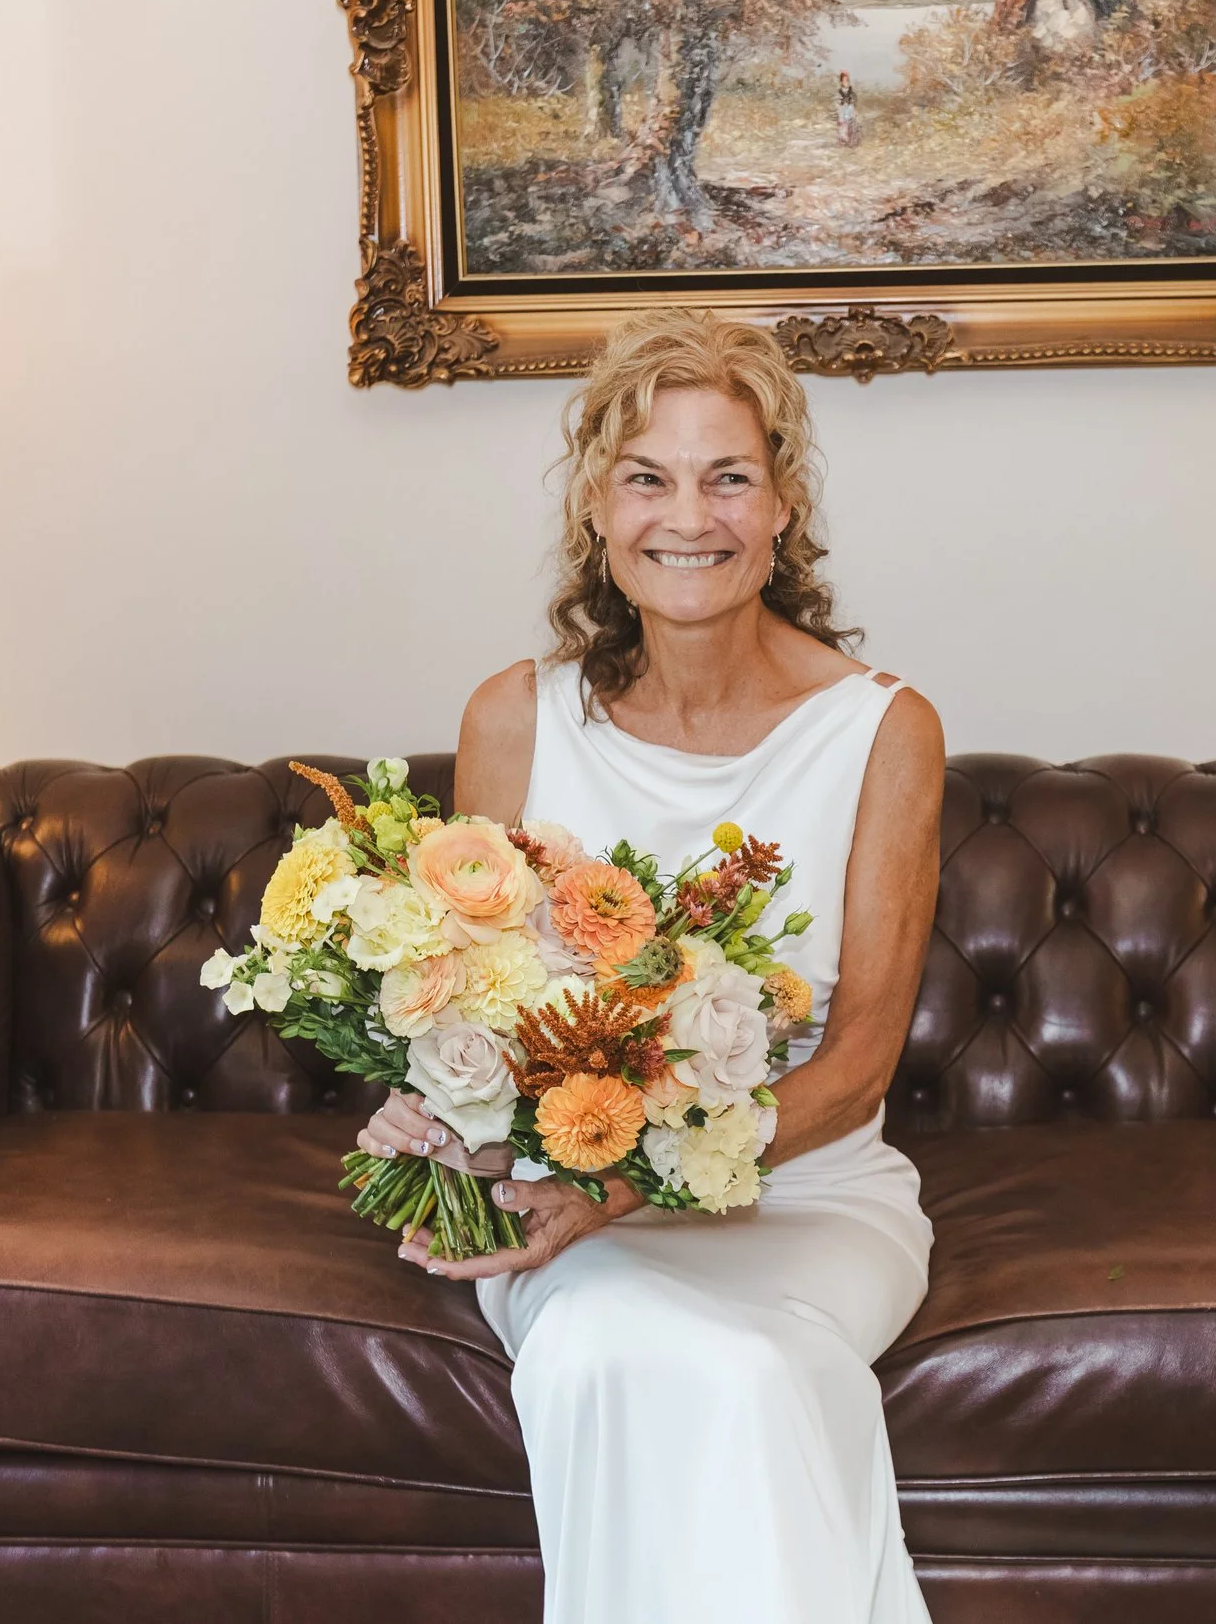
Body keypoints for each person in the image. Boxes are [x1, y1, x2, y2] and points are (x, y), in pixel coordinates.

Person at [355, 307, 945, 1624]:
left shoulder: (885, 730)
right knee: (617, 1340)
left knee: (753, 1366)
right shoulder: (514, 717)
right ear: (596, 506)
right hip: (564, 1200)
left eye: (727, 475)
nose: (689, 515)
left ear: (783, 506)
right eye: (647, 476)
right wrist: (433, 1109)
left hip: (805, 1195)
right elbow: (468, 993)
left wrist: (629, 1180)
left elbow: (857, 1065)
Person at [836, 69, 860, 146]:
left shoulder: (852, 93)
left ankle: (853, 142)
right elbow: (837, 104)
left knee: (852, 129)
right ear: (841, 82)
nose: (846, 82)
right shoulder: (839, 93)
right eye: (844, 80)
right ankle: (844, 142)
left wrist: (854, 108)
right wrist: (841, 105)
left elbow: (855, 103)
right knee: (843, 131)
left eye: (847, 80)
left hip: (850, 114)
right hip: (842, 114)